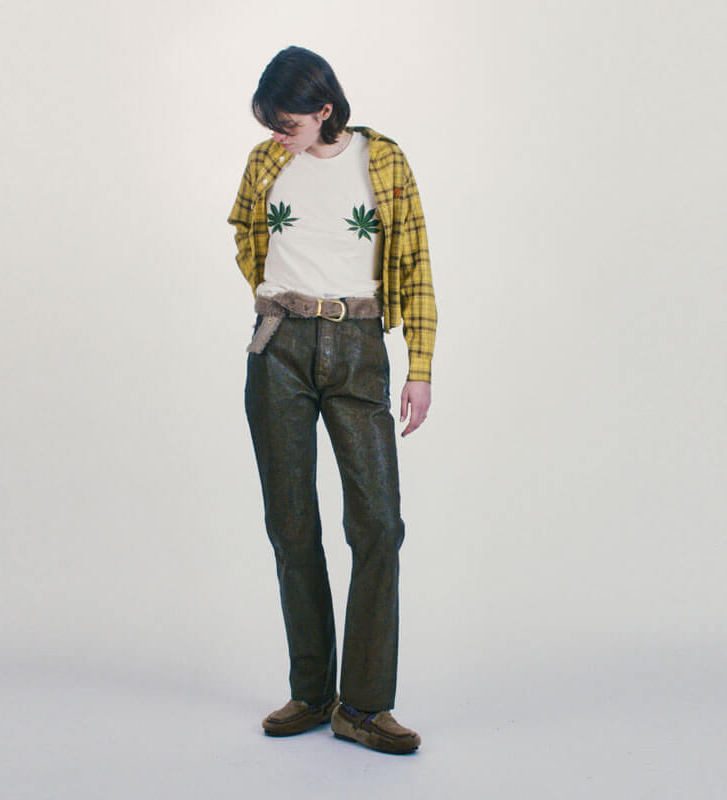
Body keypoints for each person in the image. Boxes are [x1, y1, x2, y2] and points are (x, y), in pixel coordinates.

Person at [227, 45, 437, 755]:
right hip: (278, 348)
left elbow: (417, 262)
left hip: (358, 345)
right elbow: (246, 235)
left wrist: (419, 367)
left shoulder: (384, 161)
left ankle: (366, 706)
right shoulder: (265, 162)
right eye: (269, 123)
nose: (277, 134)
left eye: (287, 122)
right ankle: (312, 692)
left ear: (324, 109)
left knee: (378, 525)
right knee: (291, 525)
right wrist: (278, 302)